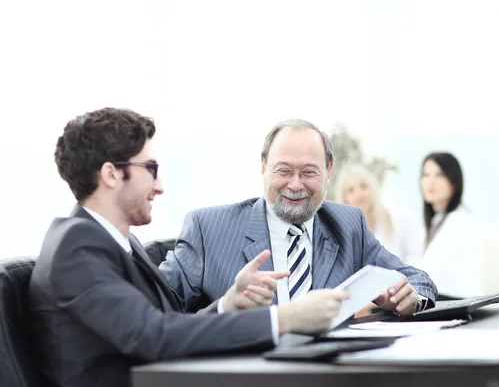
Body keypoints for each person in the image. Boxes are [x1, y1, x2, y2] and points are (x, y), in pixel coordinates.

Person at [28, 108, 348, 387]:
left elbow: (167, 323)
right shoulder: (76, 248)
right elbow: (154, 336)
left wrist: (228, 304)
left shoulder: (114, 242)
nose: (160, 185)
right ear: (111, 174)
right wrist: (285, 318)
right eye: (150, 169)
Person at [159, 119, 437, 316]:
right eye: (283, 171)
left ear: (328, 171)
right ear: (263, 167)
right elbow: (155, 307)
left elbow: (417, 279)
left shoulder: (347, 224)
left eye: (308, 172)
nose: (295, 184)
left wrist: (407, 296)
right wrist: (223, 311)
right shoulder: (209, 229)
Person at [415, 152, 484, 300]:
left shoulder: (457, 221)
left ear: (454, 182)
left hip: (457, 301)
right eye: (426, 175)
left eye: (439, 175)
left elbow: (425, 272)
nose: (430, 182)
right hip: (444, 300)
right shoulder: (436, 222)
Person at [334, 163, 422, 262]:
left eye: (364, 186)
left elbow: (418, 256)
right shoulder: (341, 238)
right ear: (344, 199)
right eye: (351, 190)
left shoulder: (400, 219)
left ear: (373, 188)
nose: (359, 194)